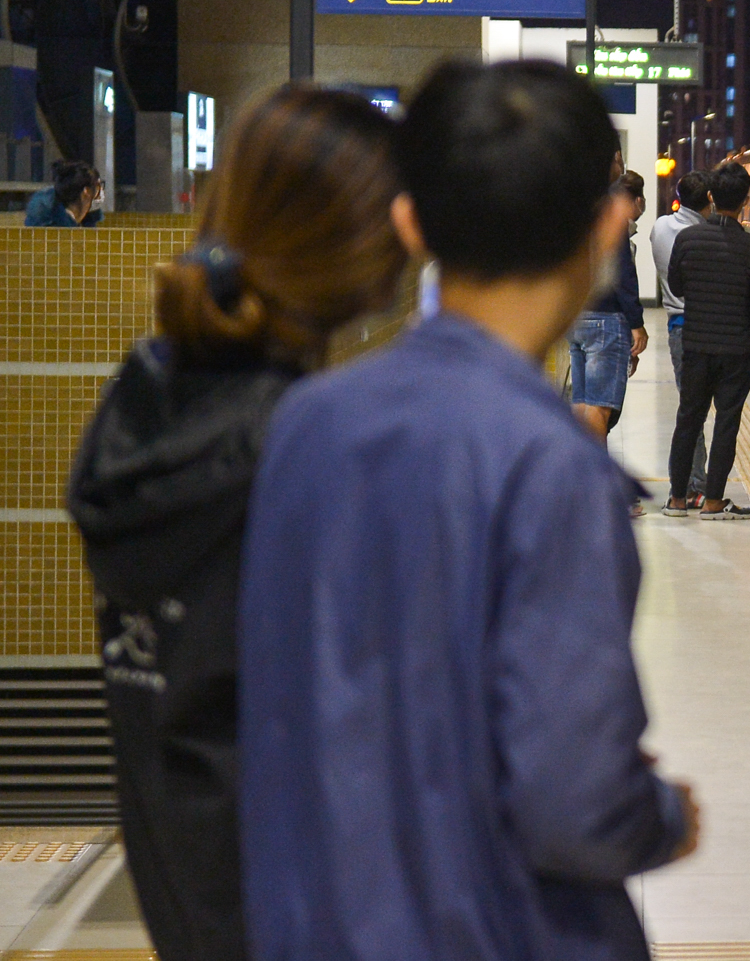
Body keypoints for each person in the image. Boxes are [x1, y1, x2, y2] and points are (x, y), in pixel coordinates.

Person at [238, 60, 698, 961]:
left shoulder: (303, 426)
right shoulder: (553, 468)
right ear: (607, 227)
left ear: (409, 223)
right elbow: (573, 803)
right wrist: (664, 817)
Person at [65, 88, 408, 961]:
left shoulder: (143, 407)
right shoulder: (311, 450)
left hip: (191, 890)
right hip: (323, 907)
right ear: (364, 251)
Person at [664, 161, 750, 520]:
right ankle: (713, 502)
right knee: (727, 421)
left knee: (688, 419)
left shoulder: (687, 239)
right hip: (736, 352)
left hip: (695, 345)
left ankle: (677, 500)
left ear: (710, 195)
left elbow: (677, 287)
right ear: (745, 200)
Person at [569, 169, 648, 449]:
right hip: (606, 319)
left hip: (578, 316)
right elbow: (623, 275)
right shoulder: (610, 217)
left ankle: (578, 480)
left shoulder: (577, 211)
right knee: (600, 409)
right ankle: (595, 487)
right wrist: (637, 323)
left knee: (581, 404)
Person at [648, 170, 710, 505]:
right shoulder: (702, 233)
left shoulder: (659, 227)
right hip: (702, 326)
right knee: (697, 410)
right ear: (708, 200)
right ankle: (693, 484)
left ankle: (687, 483)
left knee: (689, 407)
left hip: (675, 326)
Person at [25, 160, 105, 227]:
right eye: (98, 186)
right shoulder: (56, 228)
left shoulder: (81, 222)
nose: (101, 191)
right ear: (86, 191)